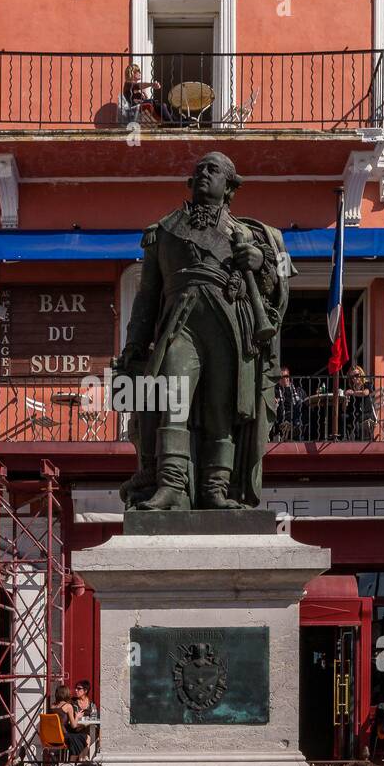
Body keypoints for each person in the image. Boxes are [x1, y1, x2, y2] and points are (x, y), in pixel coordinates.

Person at [116, 151, 296, 510]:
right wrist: (134, 344)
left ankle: (216, 489)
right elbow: (147, 297)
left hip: (231, 328)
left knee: (222, 409)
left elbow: (283, 282)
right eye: (198, 170)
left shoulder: (255, 235)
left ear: (229, 186)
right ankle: (169, 486)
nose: (202, 174)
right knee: (173, 400)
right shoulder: (163, 230)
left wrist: (261, 264)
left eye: (212, 170)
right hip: (180, 325)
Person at [51, 684, 88, 759]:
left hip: (52, 737)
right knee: (87, 737)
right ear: (66, 694)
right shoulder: (68, 706)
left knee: (75, 739)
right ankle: (79, 762)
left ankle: (76, 762)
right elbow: (74, 725)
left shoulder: (52, 706)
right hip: (63, 736)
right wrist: (77, 716)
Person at [343, 364, 376, 440]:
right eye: (352, 377)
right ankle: (344, 438)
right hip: (355, 413)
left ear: (361, 374)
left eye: (356, 375)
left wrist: (353, 393)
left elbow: (365, 393)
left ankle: (359, 439)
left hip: (367, 413)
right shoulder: (350, 389)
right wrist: (346, 399)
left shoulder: (367, 384)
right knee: (343, 416)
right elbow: (344, 409)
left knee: (355, 418)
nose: (354, 378)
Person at [273, 366, 304, 440]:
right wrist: (274, 401)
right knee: (296, 418)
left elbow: (305, 401)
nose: (285, 379)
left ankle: (296, 427)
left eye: (286, 376)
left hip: (296, 413)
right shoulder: (275, 391)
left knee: (300, 404)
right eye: (282, 377)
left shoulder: (297, 389)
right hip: (283, 415)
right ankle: (296, 427)